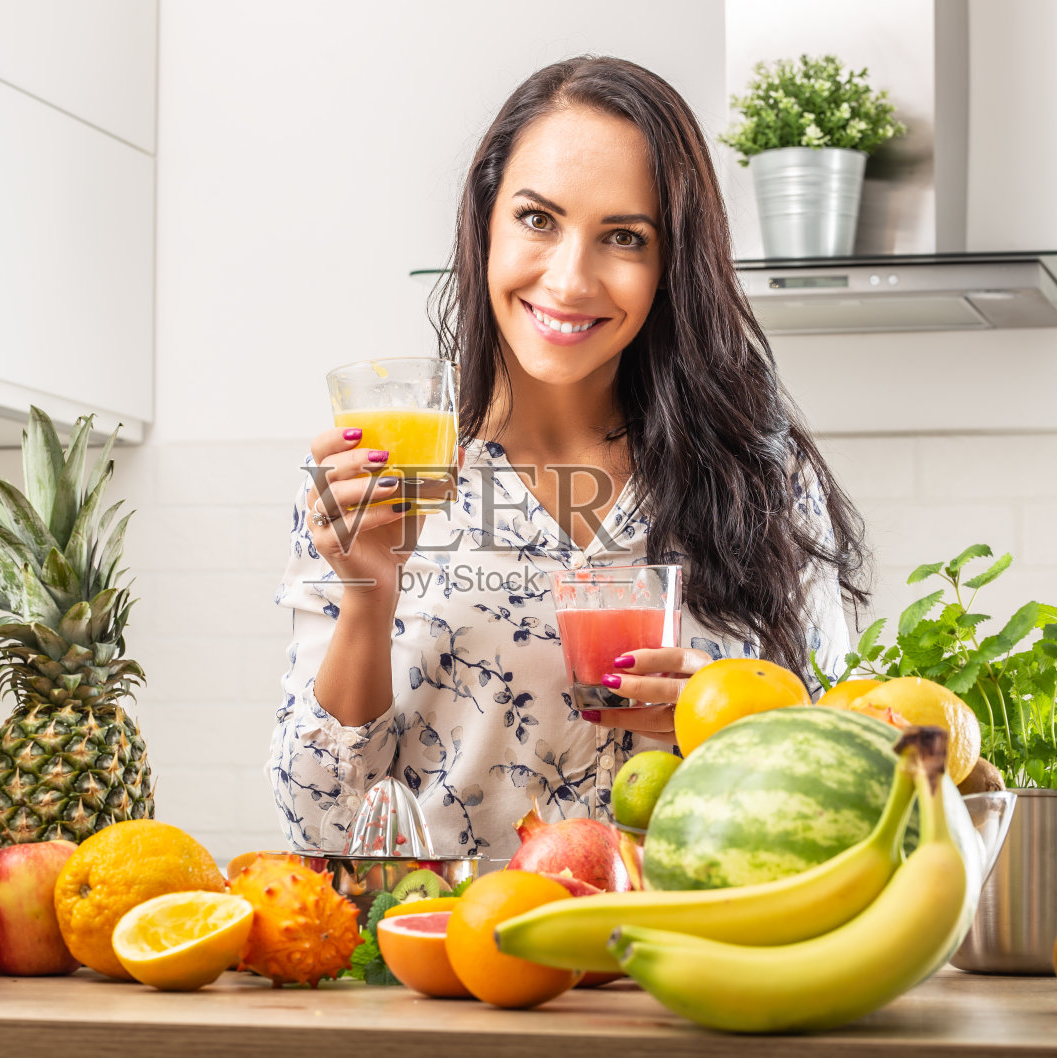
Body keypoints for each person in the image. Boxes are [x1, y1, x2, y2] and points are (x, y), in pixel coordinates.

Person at [269, 56, 867, 859]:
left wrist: (728, 720)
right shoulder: (375, 479)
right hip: (460, 965)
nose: (569, 277)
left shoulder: (763, 482)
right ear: (486, 220)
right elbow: (322, 827)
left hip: (692, 965)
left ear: (670, 265)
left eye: (624, 237)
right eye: (538, 219)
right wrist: (368, 597)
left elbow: (846, 797)